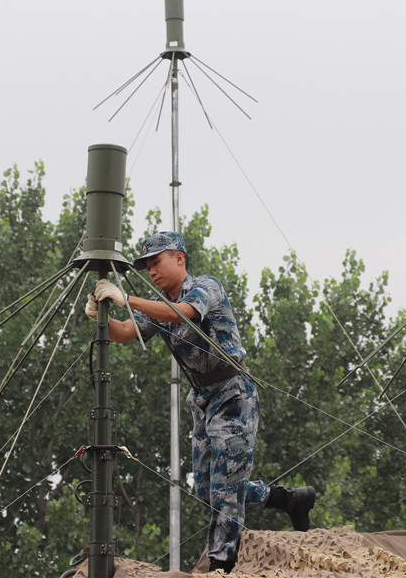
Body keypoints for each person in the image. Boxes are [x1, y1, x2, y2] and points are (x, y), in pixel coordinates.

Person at [86, 231, 315, 573]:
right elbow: (125, 333)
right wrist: (99, 314)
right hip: (204, 399)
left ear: (179, 258)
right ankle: (288, 499)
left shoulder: (206, 287)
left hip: (233, 392)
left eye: (157, 262)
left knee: (225, 490)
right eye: (147, 266)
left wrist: (127, 299)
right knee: (209, 489)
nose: (152, 271)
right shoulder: (158, 303)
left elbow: (184, 313)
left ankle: (221, 563)